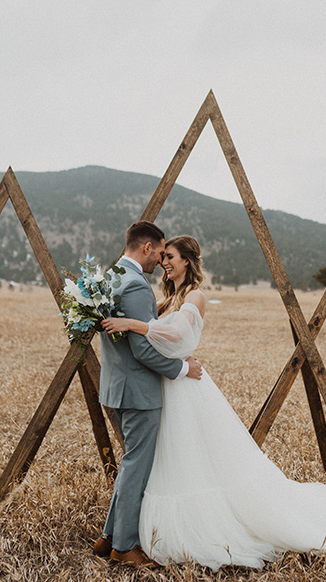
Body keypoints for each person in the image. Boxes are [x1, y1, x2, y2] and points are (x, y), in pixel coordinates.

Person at [101, 235, 326, 571]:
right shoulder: (166, 298)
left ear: (187, 261)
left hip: (185, 384)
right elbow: (154, 334)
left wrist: (131, 324)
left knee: (192, 459)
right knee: (168, 460)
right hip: (167, 386)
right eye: (162, 256)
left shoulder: (194, 296)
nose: (164, 262)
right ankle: (120, 536)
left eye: (170, 257)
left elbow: (175, 334)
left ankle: (138, 535)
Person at [93, 222, 203, 569]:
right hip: (139, 390)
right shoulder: (138, 285)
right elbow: (142, 349)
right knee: (136, 467)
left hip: (115, 386)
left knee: (130, 464)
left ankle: (110, 536)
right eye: (160, 252)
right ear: (146, 249)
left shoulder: (112, 278)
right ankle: (125, 547)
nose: (160, 261)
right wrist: (183, 370)